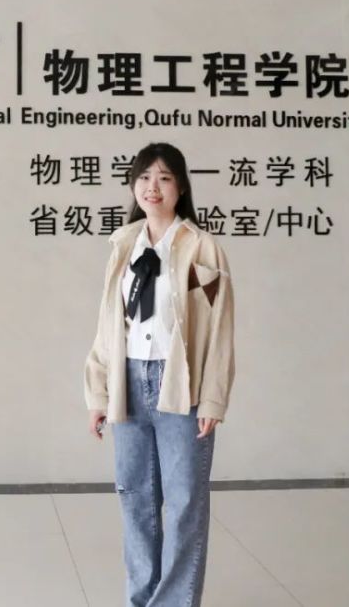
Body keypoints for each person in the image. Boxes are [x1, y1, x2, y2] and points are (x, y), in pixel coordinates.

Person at [83, 142, 236, 607]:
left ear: (181, 187)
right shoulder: (123, 245)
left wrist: (213, 398)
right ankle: (142, 599)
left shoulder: (201, 248)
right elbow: (109, 324)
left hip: (180, 385)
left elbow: (219, 329)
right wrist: (99, 393)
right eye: (145, 177)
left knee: (185, 501)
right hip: (128, 383)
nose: (153, 187)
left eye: (165, 177)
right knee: (136, 499)